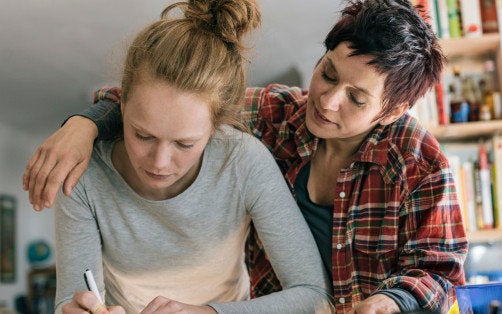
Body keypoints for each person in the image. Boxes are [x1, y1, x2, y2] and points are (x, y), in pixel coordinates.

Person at [23, 0, 468, 313]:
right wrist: (83, 124)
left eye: (356, 98)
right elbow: (162, 97)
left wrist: (392, 301)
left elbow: (441, 271)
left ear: (392, 110)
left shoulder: (420, 163)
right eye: (328, 74)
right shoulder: (271, 113)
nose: (327, 101)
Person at [37, 0, 334, 313]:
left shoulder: (242, 161)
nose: (159, 162)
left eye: (184, 143)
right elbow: (71, 300)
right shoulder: (84, 173)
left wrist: (208, 312)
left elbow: (314, 296)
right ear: (120, 105)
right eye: (143, 135)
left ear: (215, 128)